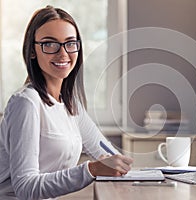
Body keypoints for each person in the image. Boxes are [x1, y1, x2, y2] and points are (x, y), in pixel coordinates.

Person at [0, 5, 133, 199]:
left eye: (70, 43)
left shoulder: (71, 105)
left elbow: (107, 153)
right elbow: (26, 187)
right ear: (32, 51)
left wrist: (120, 164)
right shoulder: (26, 103)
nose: (63, 54)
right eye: (50, 44)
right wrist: (91, 170)